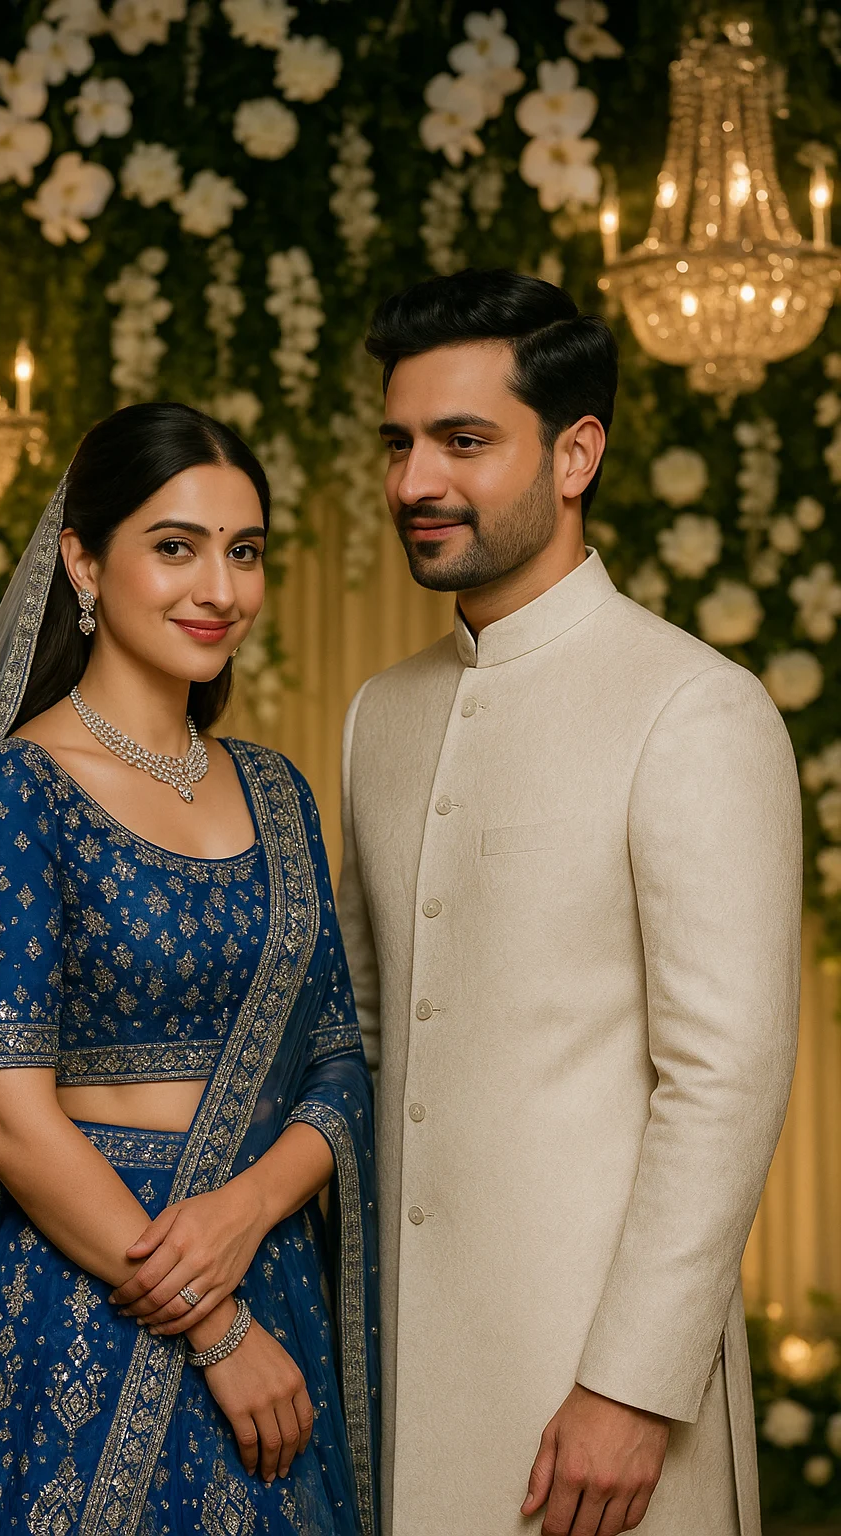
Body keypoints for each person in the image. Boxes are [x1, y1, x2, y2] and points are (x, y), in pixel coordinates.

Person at [0, 403, 378, 1536]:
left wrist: (237, 1216)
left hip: (259, 1271)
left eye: (245, 550)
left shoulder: (278, 793)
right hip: (78, 1295)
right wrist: (214, 1328)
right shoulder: (12, 794)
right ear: (84, 559)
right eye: (174, 547)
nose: (218, 588)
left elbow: (335, 1058)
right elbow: (13, 1123)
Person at [336, 269, 802, 1536]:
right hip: (392, 1378)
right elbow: (365, 1040)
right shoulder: (379, 716)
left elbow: (724, 1077)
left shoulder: (694, 707)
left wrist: (630, 1388)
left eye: (463, 442)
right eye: (399, 443)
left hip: (593, 1407)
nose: (415, 482)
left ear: (577, 450)